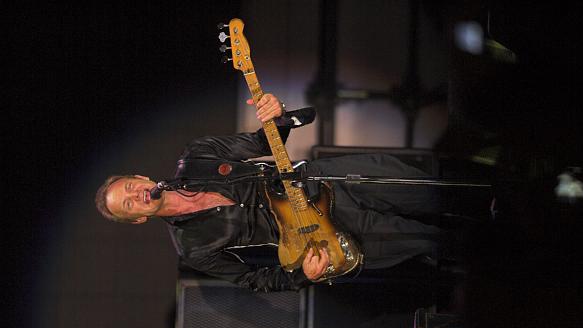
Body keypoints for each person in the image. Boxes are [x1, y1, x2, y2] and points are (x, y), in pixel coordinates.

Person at [96, 94, 451, 292]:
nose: (135, 195)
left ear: (140, 177)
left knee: (434, 192)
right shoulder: (193, 248)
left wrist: (278, 116)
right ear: (138, 219)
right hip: (325, 235)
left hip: (327, 180)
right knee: (431, 241)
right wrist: (303, 275)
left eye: (129, 187)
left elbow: (262, 143)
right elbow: (255, 280)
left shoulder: (197, 156)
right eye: (128, 204)